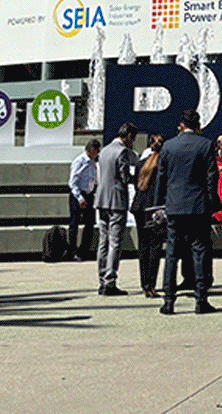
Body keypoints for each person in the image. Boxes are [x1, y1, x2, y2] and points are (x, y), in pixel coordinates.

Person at [156, 110, 218, 314]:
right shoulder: (206, 145)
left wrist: (159, 205)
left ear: (181, 124)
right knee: (199, 253)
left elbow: (161, 179)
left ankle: (168, 301)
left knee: (171, 255)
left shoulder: (168, 146)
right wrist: (211, 205)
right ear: (198, 124)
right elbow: (211, 178)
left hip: (174, 207)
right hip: (198, 207)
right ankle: (201, 300)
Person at [94, 122, 138, 295]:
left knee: (103, 242)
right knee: (115, 242)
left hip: (101, 200)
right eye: (132, 139)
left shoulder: (104, 150)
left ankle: (101, 278)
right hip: (116, 201)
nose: (132, 143)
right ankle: (110, 281)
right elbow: (125, 176)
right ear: (127, 137)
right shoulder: (122, 152)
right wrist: (139, 178)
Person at [133, 133, 166, 295]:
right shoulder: (163, 165)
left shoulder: (140, 164)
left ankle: (144, 282)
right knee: (155, 246)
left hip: (139, 207)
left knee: (143, 246)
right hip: (154, 208)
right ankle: (151, 284)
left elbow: (136, 185)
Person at [67, 137, 101, 261]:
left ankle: (84, 250)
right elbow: (73, 182)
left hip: (89, 193)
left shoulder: (93, 163)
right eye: (97, 150)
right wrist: (79, 197)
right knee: (74, 223)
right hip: (78, 195)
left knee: (90, 223)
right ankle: (72, 250)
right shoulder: (80, 161)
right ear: (92, 149)